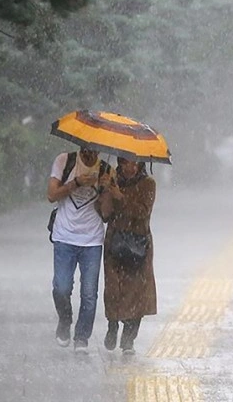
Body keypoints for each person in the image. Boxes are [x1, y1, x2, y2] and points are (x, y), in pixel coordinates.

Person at [47, 147, 113, 353]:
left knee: (89, 293)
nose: (91, 154)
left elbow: (107, 214)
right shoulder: (64, 160)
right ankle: (65, 319)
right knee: (61, 287)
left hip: (92, 240)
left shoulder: (106, 169)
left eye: (95, 150)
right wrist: (76, 183)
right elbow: (51, 195)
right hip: (64, 237)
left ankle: (82, 337)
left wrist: (106, 190)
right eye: (87, 149)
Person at [99, 157, 157, 355]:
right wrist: (106, 191)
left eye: (134, 163)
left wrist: (120, 196)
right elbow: (104, 214)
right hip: (115, 241)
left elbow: (142, 211)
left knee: (137, 292)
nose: (130, 167)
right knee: (114, 287)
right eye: (125, 163)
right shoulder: (113, 179)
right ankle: (113, 325)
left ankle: (128, 338)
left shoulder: (148, 183)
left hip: (138, 243)